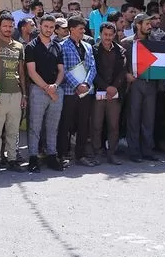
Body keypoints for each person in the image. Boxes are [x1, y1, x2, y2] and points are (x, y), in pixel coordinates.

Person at [25, 14, 64, 173]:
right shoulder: (31, 46)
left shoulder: (57, 46)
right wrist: (47, 89)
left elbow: (61, 70)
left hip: (56, 90)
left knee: (52, 126)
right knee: (35, 125)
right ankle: (33, 158)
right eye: (46, 26)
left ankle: (52, 156)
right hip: (38, 90)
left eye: (52, 27)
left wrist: (55, 85)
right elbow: (32, 72)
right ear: (40, 26)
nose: (48, 30)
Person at [0, 14, 26, 171]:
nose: (8, 29)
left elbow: (21, 72)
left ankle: (11, 159)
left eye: (11, 26)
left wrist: (24, 94)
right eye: (5, 26)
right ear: (0, 26)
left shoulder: (19, 46)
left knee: (13, 130)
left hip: (16, 93)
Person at [122, 14, 159, 163]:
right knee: (133, 118)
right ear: (138, 25)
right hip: (134, 85)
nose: (150, 26)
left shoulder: (154, 42)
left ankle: (147, 150)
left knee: (149, 119)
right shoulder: (126, 43)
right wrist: (126, 75)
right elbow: (120, 64)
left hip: (151, 84)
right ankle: (134, 152)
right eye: (147, 23)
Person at [59, 16, 96, 166]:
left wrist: (86, 83)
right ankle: (61, 154)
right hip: (69, 91)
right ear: (71, 29)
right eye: (80, 28)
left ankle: (80, 155)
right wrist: (76, 85)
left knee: (83, 124)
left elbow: (92, 66)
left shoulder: (88, 46)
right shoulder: (62, 46)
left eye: (84, 28)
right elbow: (64, 70)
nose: (83, 31)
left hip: (86, 91)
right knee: (65, 124)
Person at [91, 22, 126, 164]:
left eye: (111, 35)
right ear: (100, 34)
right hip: (98, 92)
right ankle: (97, 153)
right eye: (105, 34)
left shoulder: (121, 51)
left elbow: (123, 70)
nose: (108, 37)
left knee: (114, 125)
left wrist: (114, 87)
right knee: (96, 125)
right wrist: (106, 87)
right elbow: (92, 71)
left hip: (115, 93)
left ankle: (112, 153)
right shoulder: (93, 50)